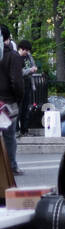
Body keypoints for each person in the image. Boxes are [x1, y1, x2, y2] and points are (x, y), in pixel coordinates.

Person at [0, 25, 23, 173]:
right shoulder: (13, 56)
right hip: (8, 101)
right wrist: (19, 98)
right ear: (8, 38)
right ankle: (11, 166)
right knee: (9, 136)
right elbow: (17, 81)